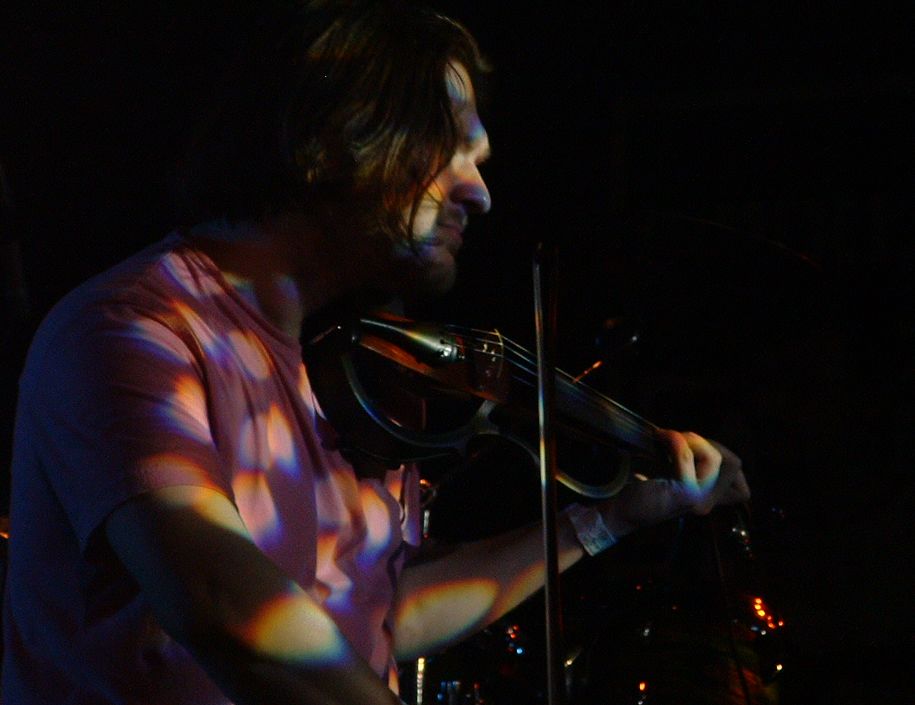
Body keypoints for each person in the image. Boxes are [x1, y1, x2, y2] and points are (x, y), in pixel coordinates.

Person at [1, 2, 750, 704]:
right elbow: (227, 607)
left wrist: (608, 519)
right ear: (339, 138)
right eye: (451, 151)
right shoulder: (134, 332)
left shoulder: (359, 378)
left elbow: (378, 611)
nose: (480, 193)